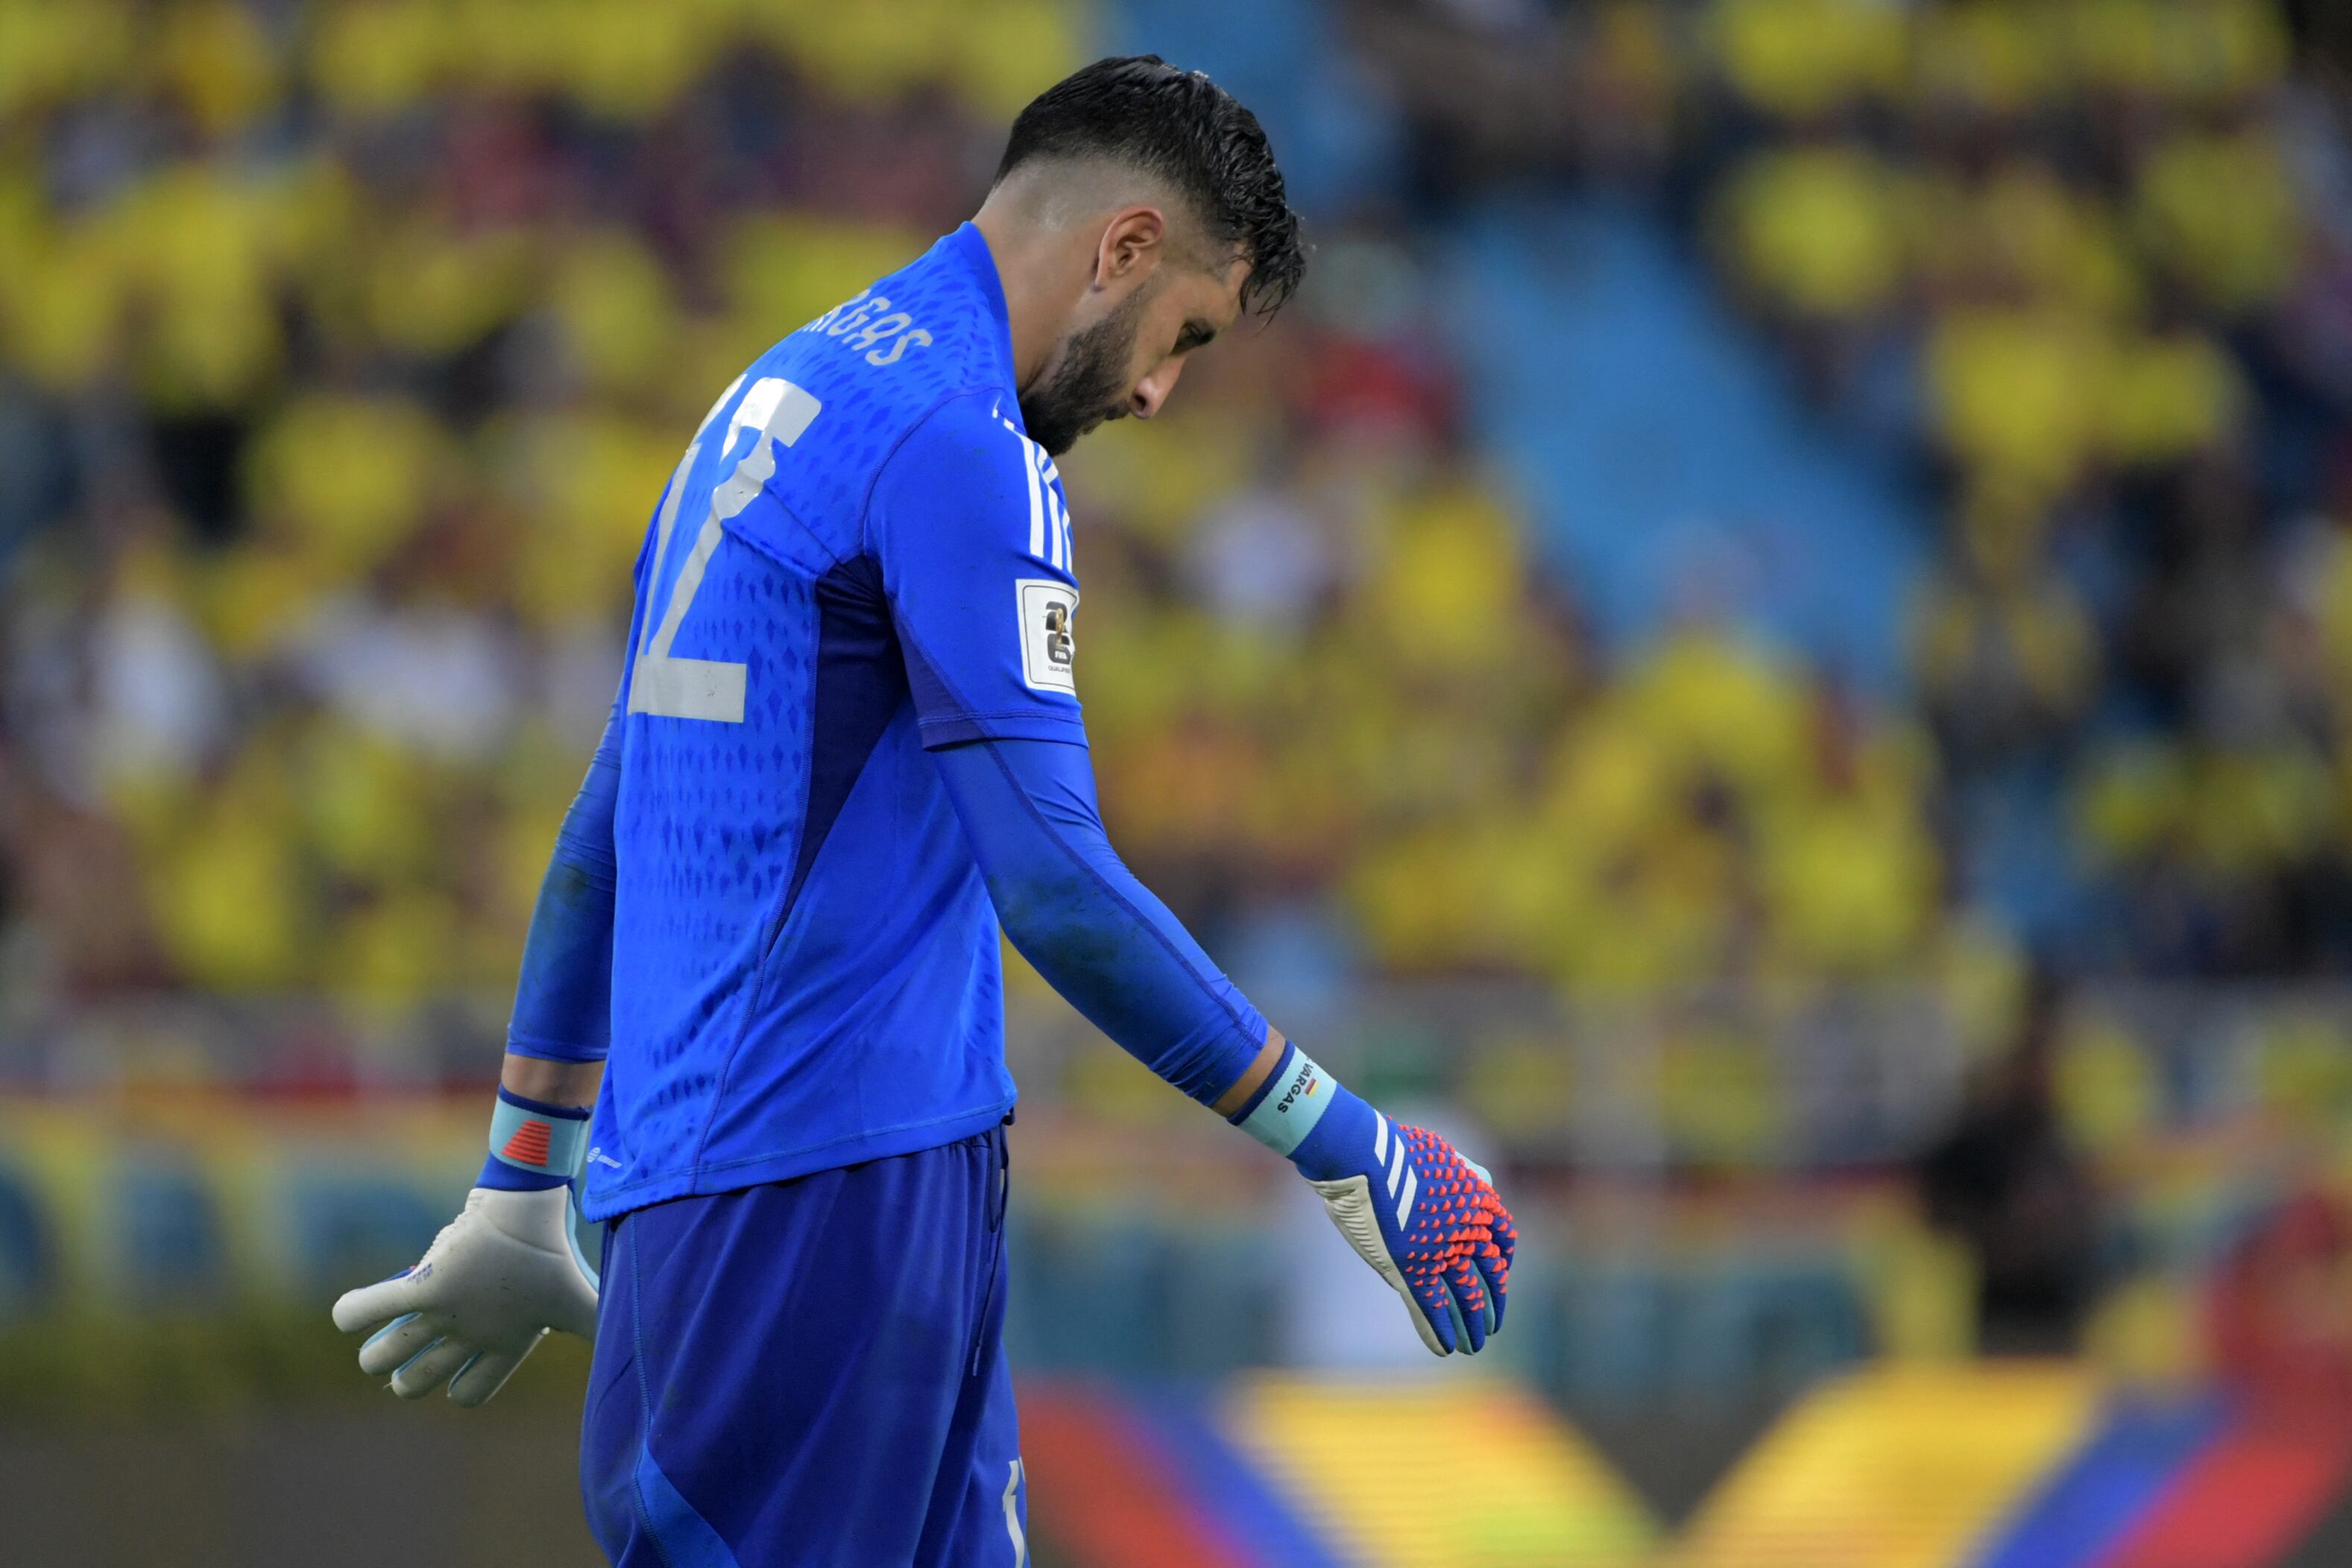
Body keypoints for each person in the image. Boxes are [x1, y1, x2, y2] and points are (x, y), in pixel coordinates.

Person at [331, 56, 1514, 1567]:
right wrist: (1345, 1137)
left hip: (735, 1199)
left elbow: (605, 833)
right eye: (1184, 339)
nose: (1158, 391)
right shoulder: (962, 442)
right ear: (1124, 248)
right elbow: (1059, 884)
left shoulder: (779, 393)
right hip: (823, 1200)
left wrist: (518, 1182)